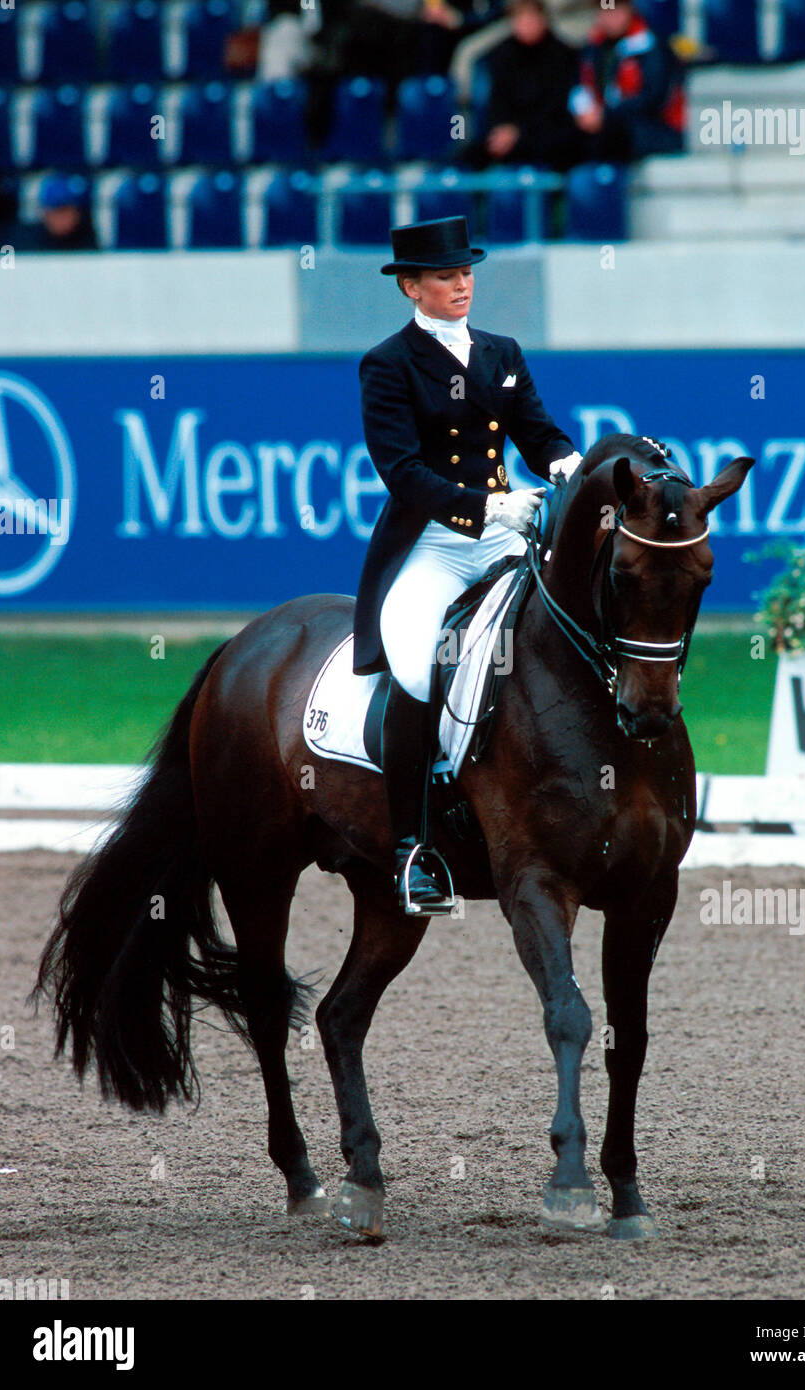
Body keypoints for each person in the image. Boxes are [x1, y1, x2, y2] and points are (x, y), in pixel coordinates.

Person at [354, 215, 581, 913]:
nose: (461, 284)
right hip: (431, 542)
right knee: (420, 666)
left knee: (565, 630)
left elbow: (537, 434)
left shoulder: (501, 351)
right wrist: (487, 509)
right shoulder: (388, 364)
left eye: (466, 273)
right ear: (412, 288)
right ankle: (411, 847)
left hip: (502, 532)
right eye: (447, 276)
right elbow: (404, 472)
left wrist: (572, 469)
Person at [464, 0, 580, 171]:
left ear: (543, 20)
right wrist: (503, 129)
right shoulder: (501, 55)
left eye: (531, 19)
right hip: (508, 134)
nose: (526, 25)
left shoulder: (564, 56)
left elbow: (557, 107)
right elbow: (497, 100)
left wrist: (519, 132)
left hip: (547, 135)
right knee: (468, 155)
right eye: (521, 19)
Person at [569, 0, 685, 163]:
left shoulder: (650, 45)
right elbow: (580, 86)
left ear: (629, 9)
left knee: (611, 140)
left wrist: (607, 116)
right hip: (606, 127)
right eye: (606, 11)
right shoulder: (593, 48)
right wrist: (584, 111)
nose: (612, 18)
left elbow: (653, 98)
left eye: (617, 10)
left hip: (653, 128)